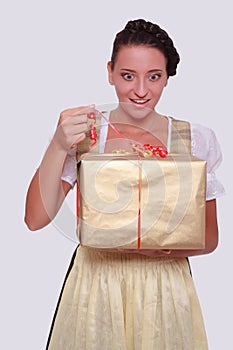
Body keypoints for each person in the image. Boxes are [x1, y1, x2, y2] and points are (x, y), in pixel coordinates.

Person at [25, 18, 225, 349]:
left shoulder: (195, 140)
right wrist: (58, 144)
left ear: (167, 78)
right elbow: (35, 219)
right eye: (128, 76)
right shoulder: (85, 136)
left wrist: (156, 246)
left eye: (154, 77)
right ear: (110, 72)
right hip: (96, 284)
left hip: (165, 286)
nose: (141, 90)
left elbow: (210, 238)